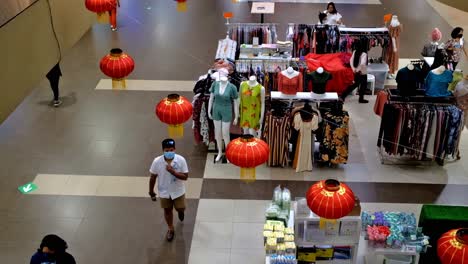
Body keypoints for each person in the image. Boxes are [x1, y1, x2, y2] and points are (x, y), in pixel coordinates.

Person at [148, 138, 189, 242]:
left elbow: (185, 176)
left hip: (178, 191)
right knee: (167, 210)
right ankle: (171, 229)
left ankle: (181, 212)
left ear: (175, 149)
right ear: (163, 150)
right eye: (166, 150)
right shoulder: (157, 161)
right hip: (164, 192)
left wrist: (173, 172)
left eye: (171, 150)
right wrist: (151, 191)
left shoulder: (181, 160)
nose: (169, 152)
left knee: (181, 208)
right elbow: (153, 177)